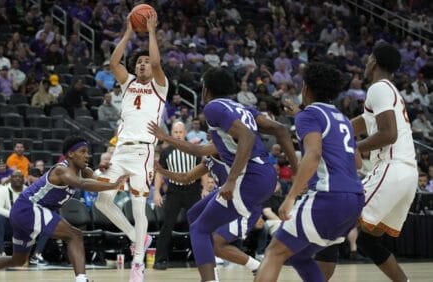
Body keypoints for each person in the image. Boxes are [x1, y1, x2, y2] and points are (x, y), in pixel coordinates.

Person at [148, 67, 298, 282]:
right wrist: (297, 171)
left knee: (200, 230)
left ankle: (211, 279)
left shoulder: (212, 108)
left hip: (248, 179)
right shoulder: (243, 108)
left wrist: (230, 180)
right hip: (265, 174)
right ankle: (217, 271)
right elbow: (281, 130)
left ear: (205, 89)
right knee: (194, 216)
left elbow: (245, 136)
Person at [0, 136, 128, 282]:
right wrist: (114, 185)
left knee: (18, 260)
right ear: (70, 154)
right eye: (82, 152)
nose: (87, 155)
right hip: (29, 208)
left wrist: (116, 180)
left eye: (88, 152)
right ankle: (82, 279)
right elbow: (82, 184)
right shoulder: (62, 170)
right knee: (75, 235)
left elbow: (99, 180)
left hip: (23, 212)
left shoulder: (86, 170)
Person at [254, 62, 364, 281]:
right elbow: (357, 162)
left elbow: (312, 154)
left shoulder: (309, 115)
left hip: (328, 196)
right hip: (355, 200)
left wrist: (291, 196)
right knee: (300, 256)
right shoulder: (342, 119)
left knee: (274, 252)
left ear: (306, 89)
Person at [93, 11, 168, 282]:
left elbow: (158, 62)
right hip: (121, 150)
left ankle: (138, 264)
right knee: (102, 200)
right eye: (139, 62)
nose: (142, 65)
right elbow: (114, 62)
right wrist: (127, 33)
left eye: (146, 62)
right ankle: (138, 238)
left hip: (143, 151)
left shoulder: (161, 86)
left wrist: (150, 31)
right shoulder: (128, 84)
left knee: (138, 207)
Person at [343, 42, 417, 282]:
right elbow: (359, 124)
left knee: (338, 218)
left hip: (392, 168)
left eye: (368, 59)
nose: (365, 63)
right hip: (405, 174)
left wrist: (352, 148)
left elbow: (388, 133)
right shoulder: (386, 91)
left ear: (373, 61)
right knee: (367, 239)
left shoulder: (379, 88)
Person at [152, 122, 201, 270]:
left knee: (198, 225)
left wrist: (205, 188)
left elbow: (202, 169)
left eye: (180, 132)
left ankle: (202, 258)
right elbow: (160, 172)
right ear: (172, 134)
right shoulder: (166, 152)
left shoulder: (193, 150)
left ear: (185, 132)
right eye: (175, 132)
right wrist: (156, 191)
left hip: (193, 190)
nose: (178, 134)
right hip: (174, 191)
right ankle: (159, 260)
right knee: (167, 225)